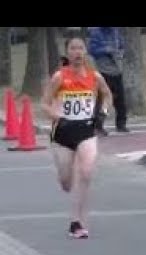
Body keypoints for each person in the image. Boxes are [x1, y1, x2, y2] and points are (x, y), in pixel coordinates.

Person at [41, 37, 113, 239]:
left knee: (87, 171)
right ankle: (65, 178)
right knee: (66, 182)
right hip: (63, 133)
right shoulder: (59, 77)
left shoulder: (95, 76)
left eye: (80, 48)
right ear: (68, 53)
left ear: (85, 52)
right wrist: (57, 116)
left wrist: (104, 111)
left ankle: (77, 221)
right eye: (73, 48)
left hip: (86, 131)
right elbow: (44, 104)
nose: (77, 52)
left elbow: (107, 95)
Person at [87, 27, 129, 135]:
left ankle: (121, 124)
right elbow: (92, 50)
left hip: (116, 70)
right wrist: (106, 50)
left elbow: (121, 46)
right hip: (103, 71)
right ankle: (98, 125)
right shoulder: (96, 33)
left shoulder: (115, 32)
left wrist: (120, 52)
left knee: (120, 100)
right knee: (103, 101)